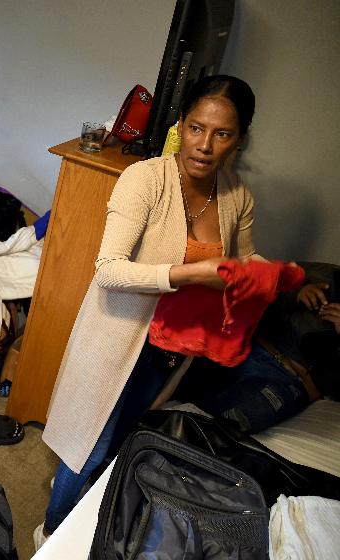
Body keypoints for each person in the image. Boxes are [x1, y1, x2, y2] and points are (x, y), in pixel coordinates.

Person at [36, 75, 262, 544]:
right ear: (180, 125)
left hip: (172, 347)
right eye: (196, 128)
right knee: (90, 448)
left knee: (126, 444)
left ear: (240, 139)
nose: (205, 145)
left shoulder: (236, 194)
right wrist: (185, 274)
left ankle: (88, 533)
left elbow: (242, 257)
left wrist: (270, 273)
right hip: (118, 336)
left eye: (222, 134)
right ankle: (53, 535)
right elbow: (109, 269)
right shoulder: (145, 180)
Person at [173, 263, 340, 433]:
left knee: (237, 418)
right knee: (175, 367)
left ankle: (173, 437)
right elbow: (257, 283)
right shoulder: (326, 277)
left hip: (289, 380)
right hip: (249, 345)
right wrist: (296, 292)